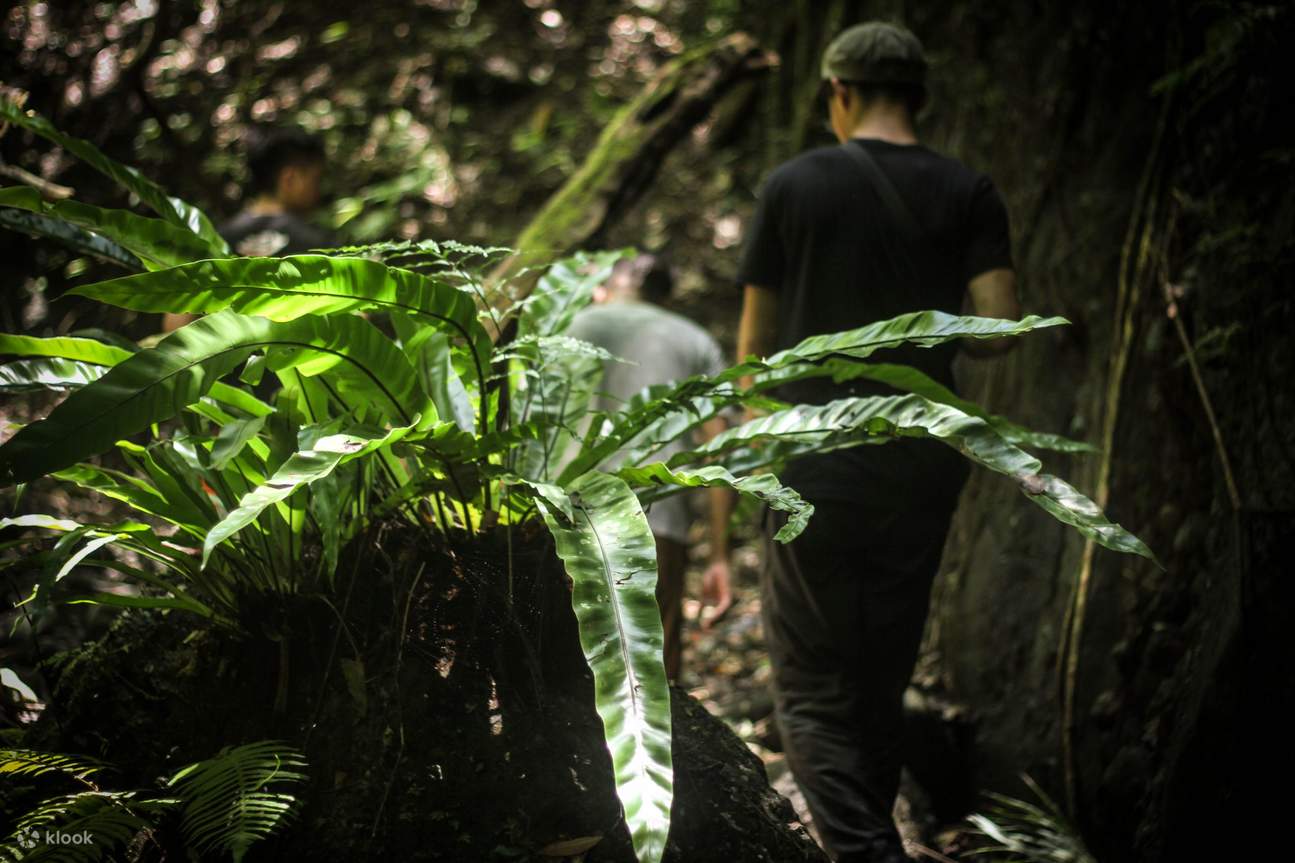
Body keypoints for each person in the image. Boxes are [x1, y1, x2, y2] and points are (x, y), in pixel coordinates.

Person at [734, 21, 1021, 863]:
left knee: (811, 689)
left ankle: (867, 853)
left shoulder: (790, 186)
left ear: (837, 94)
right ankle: (875, 837)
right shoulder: (968, 190)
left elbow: (749, 357)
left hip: (813, 460)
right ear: (919, 97)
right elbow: (999, 333)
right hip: (919, 463)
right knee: (878, 676)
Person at [566, 254, 734, 682]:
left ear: (605, 287)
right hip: (657, 524)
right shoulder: (694, 340)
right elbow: (719, 450)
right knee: (653, 676)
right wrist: (719, 553)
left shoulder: (568, 327)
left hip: (565, 521)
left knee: (561, 668)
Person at [163, 125, 334, 331]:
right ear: (290, 178)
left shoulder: (212, 242)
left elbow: (175, 324)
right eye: (315, 179)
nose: (319, 190)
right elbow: (356, 320)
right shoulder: (320, 244)